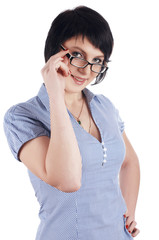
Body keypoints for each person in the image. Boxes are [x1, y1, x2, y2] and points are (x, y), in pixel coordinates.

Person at [3, 6, 140, 240]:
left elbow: (129, 162)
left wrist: (127, 213)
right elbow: (68, 180)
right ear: (55, 51)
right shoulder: (22, 116)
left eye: (97, 60)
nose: (87, 71)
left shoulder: (104, 106)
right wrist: (55, 94)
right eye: (77, 55)